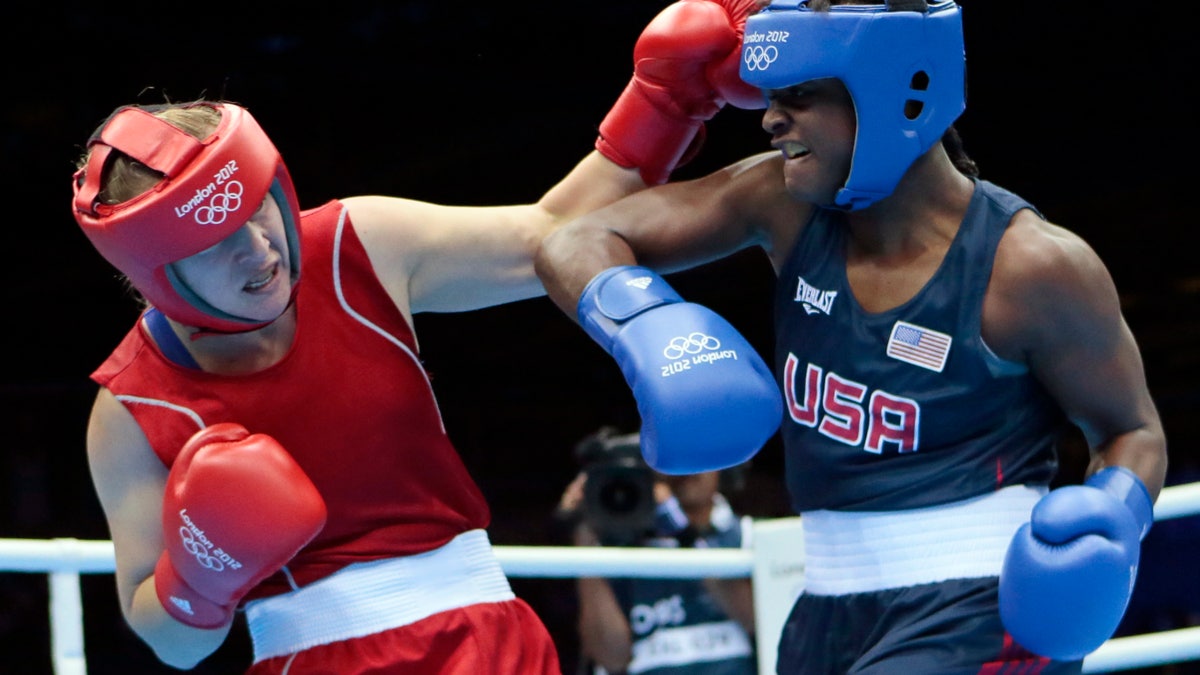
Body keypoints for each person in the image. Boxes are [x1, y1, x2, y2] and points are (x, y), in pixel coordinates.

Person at [69, 1, 773, 672]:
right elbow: (173, 645)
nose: (259, 251)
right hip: (310, 659)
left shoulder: (357, 244)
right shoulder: (133, 409)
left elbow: (549, 235)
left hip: (487, 637)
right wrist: (201, 571)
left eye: (260, 211)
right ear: (157, 273)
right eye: (217, 243)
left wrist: (664, 103)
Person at [533, 1, 1169, 673]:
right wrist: (647, 324)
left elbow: (1132, 429)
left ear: (895, 93)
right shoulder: (783, 205)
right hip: (823, 612)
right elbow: (573, 241)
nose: (771, 118)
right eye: (772, 97)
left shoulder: (1029, 266)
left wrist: (1112, 517)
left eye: (800, 96)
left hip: (975, 609)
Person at [556, 427, 756, 675]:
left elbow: (756, 619)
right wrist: (584, 535)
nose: (688, 468)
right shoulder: (614, 546)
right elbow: (612, 658)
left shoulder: (746, 535)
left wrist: (681, 531)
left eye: (699, 454)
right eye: (674, 457)